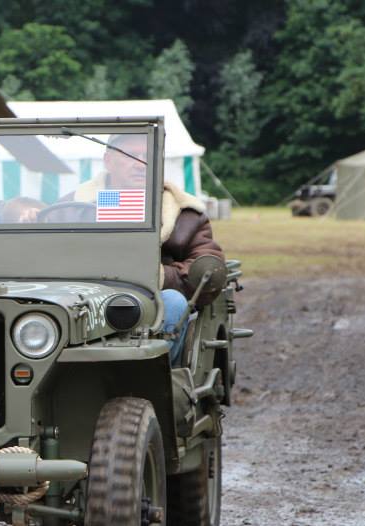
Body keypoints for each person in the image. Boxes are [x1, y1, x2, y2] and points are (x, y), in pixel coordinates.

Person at [27, 133, 223, 363]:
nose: (140, 164)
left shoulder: (185, 212)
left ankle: (150, 378)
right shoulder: (73, 206)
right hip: (83, 296)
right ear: (109, 160)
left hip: (152, 299)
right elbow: (44, 251)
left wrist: (157, 275)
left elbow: (207, 264)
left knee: (175, 302)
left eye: (146, 156)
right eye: (130, 155)